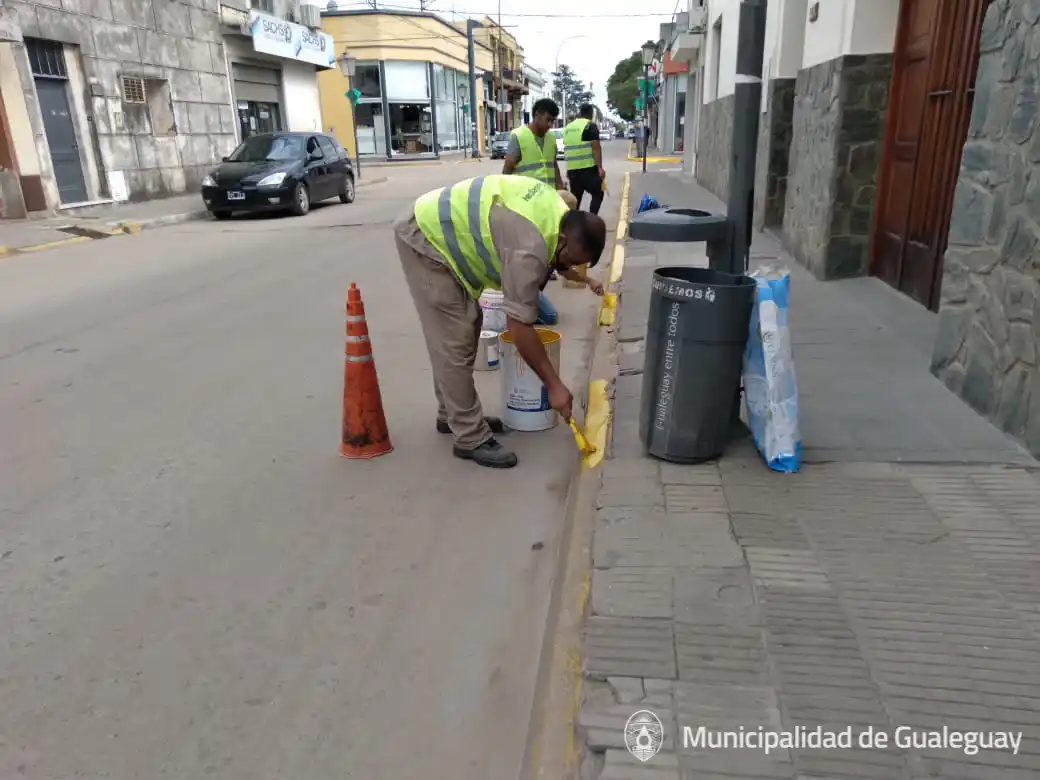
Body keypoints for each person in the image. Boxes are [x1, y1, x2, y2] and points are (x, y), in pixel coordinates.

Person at [393, 175, 607, 469]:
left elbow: (558, 261)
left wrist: (584, 277)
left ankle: (452, 414)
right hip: (426, 237)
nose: (569, 267)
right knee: (454, 337)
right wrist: (554, 385)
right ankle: (469, 437)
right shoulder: (529, 249)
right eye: (570, 259)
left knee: (466, 328)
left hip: (442, 230)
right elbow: (519, 328)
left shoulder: (558, 214)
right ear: (565, 239)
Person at [502, 98, 565, 190]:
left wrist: (560, 189)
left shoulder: (551, 137)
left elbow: (554, 165)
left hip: (549, 197)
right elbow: (507, 170)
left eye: (553, 121)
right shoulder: (519, 136)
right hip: (526, 199)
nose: (550, 125)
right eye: (548, 120)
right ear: (537, 115)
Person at [563, 104, 605, 215]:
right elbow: (595, 147)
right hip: (588, 168)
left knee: (575, 199)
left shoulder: (568, 127)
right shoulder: (589, 126)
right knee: (598, 193)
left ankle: (573, 223)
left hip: (573, 170)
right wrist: (600, 167)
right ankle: (592, 217)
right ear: (590, 113)